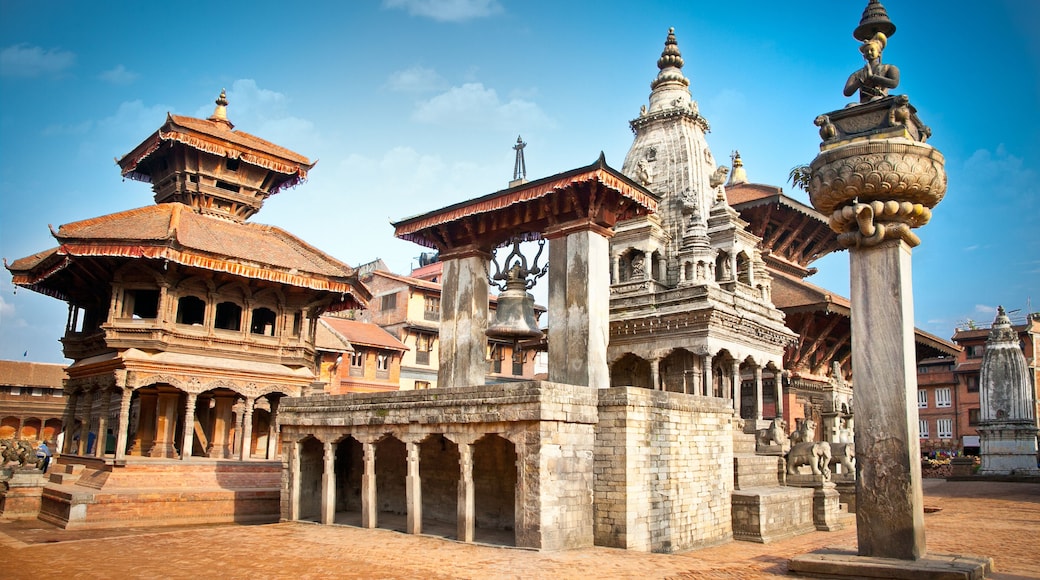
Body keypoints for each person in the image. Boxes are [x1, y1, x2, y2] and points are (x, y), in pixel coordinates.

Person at [843, 32, 899, 103]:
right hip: (863, 103)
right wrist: (860, 81)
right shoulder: (858, 74)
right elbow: (847, 92)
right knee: (851, 106)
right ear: (864, 56)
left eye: (872, 50)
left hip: (880, 100)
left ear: (879, 53)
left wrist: (872, 77)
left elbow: (894, 83)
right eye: (866, 51)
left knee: (875, 100)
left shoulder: (888, 68)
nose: (869, 52)